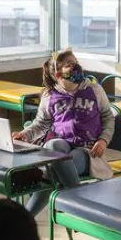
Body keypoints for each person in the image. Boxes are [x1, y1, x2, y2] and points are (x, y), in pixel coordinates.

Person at [13, 50, 115, 216]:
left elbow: (108, 117)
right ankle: (78, 203)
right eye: (70, 65)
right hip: (62, 146)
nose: (76, 67)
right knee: (53, 146)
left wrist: (104, 140)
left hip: (88, 151)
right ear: (58, 74)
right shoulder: (50, 95)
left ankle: (23, 220)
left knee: (52, 174)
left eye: (76, 62)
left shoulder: (94, 90)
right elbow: (40, 124)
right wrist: (24, 134)